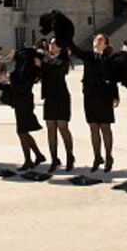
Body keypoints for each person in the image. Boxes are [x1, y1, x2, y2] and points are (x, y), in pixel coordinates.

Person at [70, 34, 119, 172]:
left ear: (106, 44)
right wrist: (67, 38)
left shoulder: (109, 58)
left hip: (104, 96)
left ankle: (109, 156)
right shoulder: (88, 56)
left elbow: (113, 77)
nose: (97, 41)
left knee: (105, 127)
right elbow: (75, 50)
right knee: (93, 128)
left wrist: (115, 95)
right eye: (96, 39)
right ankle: (97, 157)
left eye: (101, 40)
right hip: (90, 96)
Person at [0, 47, 46, 170]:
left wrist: (7, 81)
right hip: (22, 102)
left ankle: (29, 159)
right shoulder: (25, 69)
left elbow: (19, 87)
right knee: (23, 131)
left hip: (24, 102)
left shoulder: (27, 71)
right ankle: (38, 155)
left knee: (22, 131)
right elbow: (16, 87)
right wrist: (0, 83)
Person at [41, 38, 74, 172]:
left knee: (62, 127)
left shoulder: (63, 58)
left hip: (61, 96)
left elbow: (59, 68)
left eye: (55, 43)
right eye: (50, 43)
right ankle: (54, 158)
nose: (51, 45)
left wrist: (42, 64)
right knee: (50, 128)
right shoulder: (47, 59)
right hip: (49, 97)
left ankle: (69, 156)